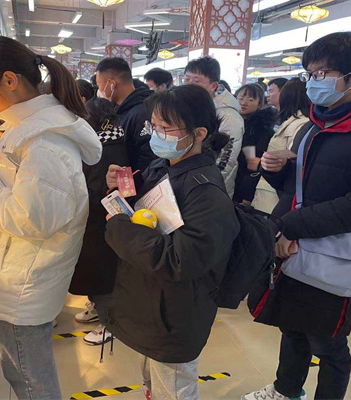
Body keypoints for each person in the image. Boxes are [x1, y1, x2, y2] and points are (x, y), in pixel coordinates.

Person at [243, 32, 351, 400]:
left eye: (323, 73)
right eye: (309, 73)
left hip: (337, 250)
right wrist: (279, 171)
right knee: (291, 323)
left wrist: (290, 226)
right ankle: (286, 389)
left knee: (328, 341)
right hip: (296, 244)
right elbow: (304, 185)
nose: (313, 82)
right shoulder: (314, 124)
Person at [0, 36, 102, 399]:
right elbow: (23, 189)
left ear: (10, 80)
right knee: (21, 372)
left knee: (30, 379)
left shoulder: (45, 143)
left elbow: (31, 219)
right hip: (20, 273)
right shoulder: (33, 130)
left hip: (25, 281)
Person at [104, 85, 239, 399]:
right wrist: (122, 191)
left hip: (176, 311)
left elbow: (180, 260)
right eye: (153, 126)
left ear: (199, 133)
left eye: (165, 128)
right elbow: (148, 214)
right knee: (154, 377)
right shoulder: (163, 166)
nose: (156, 135)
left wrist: (120, 228)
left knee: (173, 386)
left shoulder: (206, 192)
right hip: (153, 300)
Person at [69, 97, 129, 345]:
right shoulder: (110, 140)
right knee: (96, 276)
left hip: (100, 222)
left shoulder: (106, 148)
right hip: (96, 220)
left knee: (102, 277)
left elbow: (110, 190)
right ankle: (99, 310)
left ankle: (111, 323)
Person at [184, 56, 245, 198]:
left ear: (213, 86)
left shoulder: (228, 116)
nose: (189, 85)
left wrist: (204, 184)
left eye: (196, 81)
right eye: (186, 79)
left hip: (210, 188)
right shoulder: (192, 106)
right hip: (188, 182)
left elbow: (226, 160)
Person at [252, 78, 311, 214]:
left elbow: (292, 158)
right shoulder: (291, 121)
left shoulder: (301, 124)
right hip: (269, 189)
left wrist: (264, 162)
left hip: (276, 195)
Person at [96, 57, 156, 172]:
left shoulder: (142, 113)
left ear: (111, 84)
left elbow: (147, 157)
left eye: (99, 85)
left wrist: (135, 179)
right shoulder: (118, 110)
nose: (99, 91)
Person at [233, 83, 277, 204]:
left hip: (242, 189)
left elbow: (253, 167)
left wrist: (247, 195)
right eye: (240, 98)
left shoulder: (262, 130)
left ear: (260, 103)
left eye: (250, 99)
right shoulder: (231, 123)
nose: (243, 103)